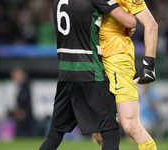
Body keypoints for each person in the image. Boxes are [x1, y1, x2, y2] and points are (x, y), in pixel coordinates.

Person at [39, 0, 137, 150]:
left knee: (54, 134)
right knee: (110, 132)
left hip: (66, 74)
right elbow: (130, 22)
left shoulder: (58, 1)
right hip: (91, 72)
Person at [92, 0, 158, 150]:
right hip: (93, 60)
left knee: (130, 125)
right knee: (98, 131)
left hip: (118, 57)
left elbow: (151, 24)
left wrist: (149, 63)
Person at [11, 67, 40, 137]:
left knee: (30, 132)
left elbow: (24, 101)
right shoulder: (22, 86)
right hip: (25, 113)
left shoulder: (25, 86)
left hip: (25, 114)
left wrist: (22, 111)